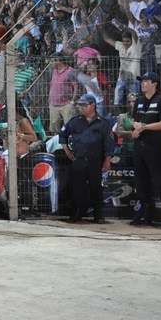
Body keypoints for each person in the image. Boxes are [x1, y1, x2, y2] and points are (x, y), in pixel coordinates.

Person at [129, 73, 161, 230]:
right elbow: (133, 119)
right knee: (141, 182)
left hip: (155, 147)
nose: (142, 84)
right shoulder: (139, 100)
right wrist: (135, 126)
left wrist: (144, 127)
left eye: (145, 81)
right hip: (139, 147)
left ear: (154, 84)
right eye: (141, 81)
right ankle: (145, 215)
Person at [59, 94, 114, 224]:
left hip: (95, 161)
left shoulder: (103, 123)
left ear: (93, 105)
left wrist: (107, 160)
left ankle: (98, 215)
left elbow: (109, 143)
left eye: (84, 105)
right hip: (78, 160)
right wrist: (67, 150)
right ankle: (76, 214)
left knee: (96, 189)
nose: (81, 108)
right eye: (80, 105)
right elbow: (62, 134)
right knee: (77, 189)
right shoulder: (75, 121)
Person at [48, 54, 79, 134]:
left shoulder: (70, 71)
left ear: (58, 61)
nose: (51, 63)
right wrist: (50, 99)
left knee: (70, 126)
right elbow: (52, 85)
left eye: (52, 61)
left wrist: (73, 101)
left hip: (66, 104)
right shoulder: (54, 71)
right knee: (54, 128)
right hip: (54, 104)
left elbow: (76, 86)